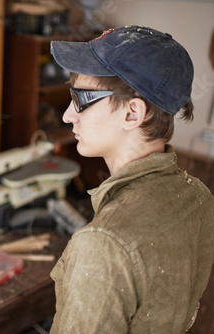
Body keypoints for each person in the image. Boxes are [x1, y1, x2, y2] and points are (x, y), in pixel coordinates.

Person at [49, 25, 214, 333]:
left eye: (81, 98)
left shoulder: (102, 245)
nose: (67, 115)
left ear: (132, 114)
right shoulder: (199, 198)